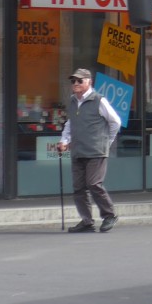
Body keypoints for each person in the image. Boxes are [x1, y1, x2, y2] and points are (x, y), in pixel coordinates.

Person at [56, 68, 122, 233]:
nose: (76, 84)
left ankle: (109, 215)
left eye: (80, 81)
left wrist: (106, 141)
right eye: (73, 81)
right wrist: (64, 141)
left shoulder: (98, 100)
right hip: (78, 150)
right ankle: (87, 221)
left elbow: (115, 122)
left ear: (89, 82)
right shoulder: (73, 101)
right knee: (79, 187)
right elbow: (70, 123)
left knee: (93, 183)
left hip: (96, 151)